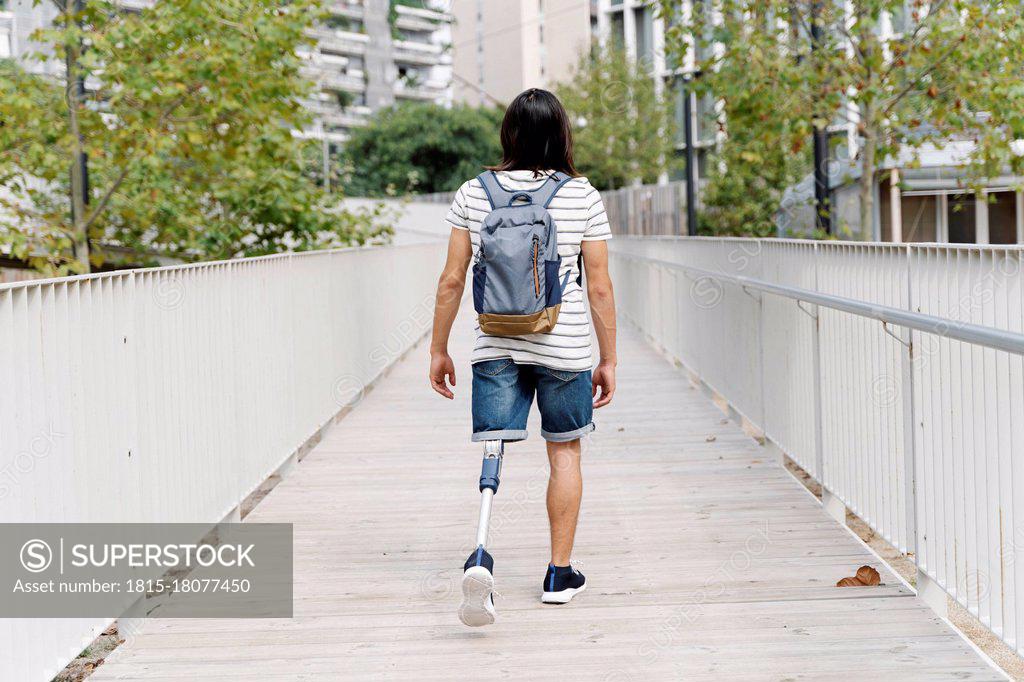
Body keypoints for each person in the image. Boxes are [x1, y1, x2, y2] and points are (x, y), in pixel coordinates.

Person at [428, 88, 617, 626]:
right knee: (565, 452)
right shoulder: (582, 195)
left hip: (495, 342)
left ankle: (481, 553)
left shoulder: (473, 192)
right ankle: (558, 574)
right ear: (562, 134)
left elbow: (450, 280)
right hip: (565, 343)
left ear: (508, 134)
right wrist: (610, 357)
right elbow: (599, 287)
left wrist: (439, 348)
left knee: (495, 449)